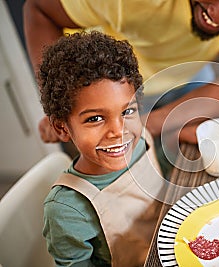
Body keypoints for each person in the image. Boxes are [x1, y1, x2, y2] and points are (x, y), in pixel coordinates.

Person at [23, 0, 219, 146]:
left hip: (188, 80)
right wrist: (59, 101)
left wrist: (153, 125)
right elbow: (38, 10)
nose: (216, 12)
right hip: (101, 95)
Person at [38, 31, 164, 266]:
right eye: (95, 118)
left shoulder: (142, 141)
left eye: (127, 112)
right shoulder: (66, 210)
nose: (118, 131)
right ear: (62, 128)